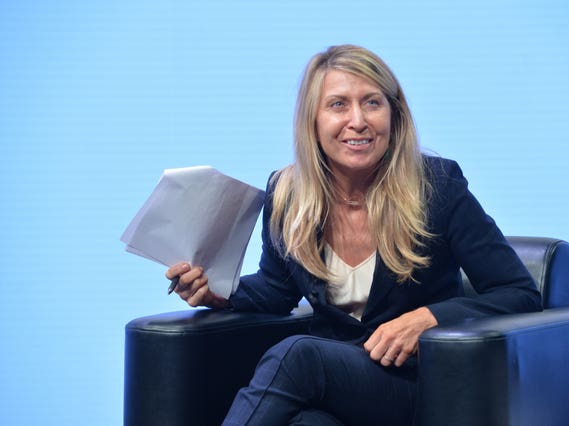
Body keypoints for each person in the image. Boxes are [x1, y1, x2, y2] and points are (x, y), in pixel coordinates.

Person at [165, 44, 542, 425]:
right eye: (338, 105)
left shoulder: (437, 187)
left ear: (394, 115)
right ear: (312, 120)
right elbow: (276, 290)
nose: (358, 120)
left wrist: (428, 318)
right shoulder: (288, 193)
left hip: (418, 385)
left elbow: (519, 294)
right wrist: (219, 293)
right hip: (338, 385)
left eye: (372, 103)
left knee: (298, 356)